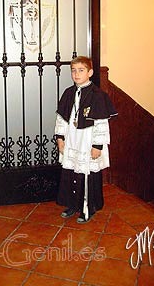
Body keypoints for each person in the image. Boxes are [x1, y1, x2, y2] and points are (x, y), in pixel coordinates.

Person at [55, 56, 118, 224]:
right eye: (73, 71)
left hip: (88, 140)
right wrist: (60, 139)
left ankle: (87, 208)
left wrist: (98, 146)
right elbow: (61, 119)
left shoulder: (98, 95)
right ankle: (73, 205)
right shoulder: (68, 93)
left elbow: (101, 123)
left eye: (81, 70)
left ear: (90, 72)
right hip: (72, 139)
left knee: (87, 175)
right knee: (70, 172)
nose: (76, 74)